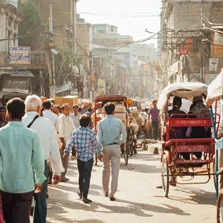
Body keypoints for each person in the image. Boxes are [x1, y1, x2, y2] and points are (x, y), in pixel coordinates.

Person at [0, 98, 46, 223]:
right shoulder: (32, 135)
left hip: (6, 186)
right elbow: (38, 160)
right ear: (23, 113)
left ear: (9, 114)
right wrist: (39, 180)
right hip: (25, 186)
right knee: (23, 218)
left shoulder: (1, 134)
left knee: (9, 219)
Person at [22, 95, 63, 223]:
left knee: (22, 200)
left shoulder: (18, 122)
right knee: (40, 201)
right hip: (41, 165)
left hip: (21, 166)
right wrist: (57, 172)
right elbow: (54, 148)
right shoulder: (46, 123)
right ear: (39, 108)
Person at [63, 115, 97, 203]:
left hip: (80, 158)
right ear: (89, 123)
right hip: (89, 157)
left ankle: (81, 193)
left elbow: (70, 143)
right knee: (87, 176)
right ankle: (85, 196)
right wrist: (92, 150)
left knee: (81, 175)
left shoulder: (75, 132)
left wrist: (66, 152)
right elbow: (95, 144)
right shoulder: (91, 133)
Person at [97, 103, 127, 201]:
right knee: (115, 172)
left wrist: (98, 152)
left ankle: (105, 190)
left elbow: (99, 139)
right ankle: (112, 193)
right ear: (114, 111)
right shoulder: (119, 122)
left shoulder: (101, 122)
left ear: (105, 111)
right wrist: (122, 142)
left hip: (105, 147)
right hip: (115, 147)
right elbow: (124, 134)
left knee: (105, 169)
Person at [59, 104, 75, 182]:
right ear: (62, 110)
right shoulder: (61, 118)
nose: (67, 111)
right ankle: (61, 176)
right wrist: (63, 142)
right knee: (63, 159)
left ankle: (63, 175)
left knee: (66, 160)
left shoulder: (70, 118)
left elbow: (73, 129)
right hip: (63, 142)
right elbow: (61, 131)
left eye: (68, 109)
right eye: (66, 109)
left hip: (69, 141)